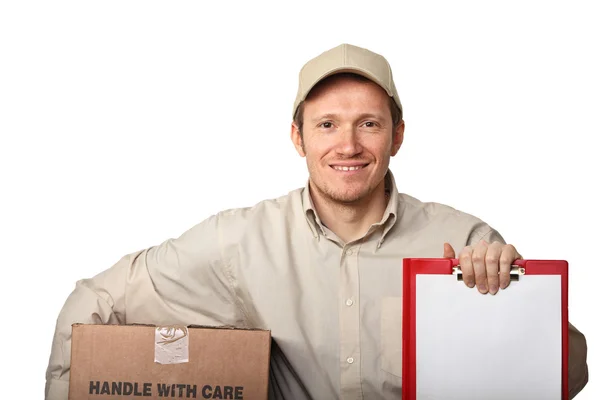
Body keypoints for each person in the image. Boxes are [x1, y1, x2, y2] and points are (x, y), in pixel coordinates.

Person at [45, 43, 588, 399]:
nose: (347, 145)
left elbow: (571, 374)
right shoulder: (240, 244)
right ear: (298, 137)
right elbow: (96, 300)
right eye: (327, 124)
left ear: (397, 136)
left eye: (368, 124)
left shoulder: (464, 241)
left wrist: (516, 300)